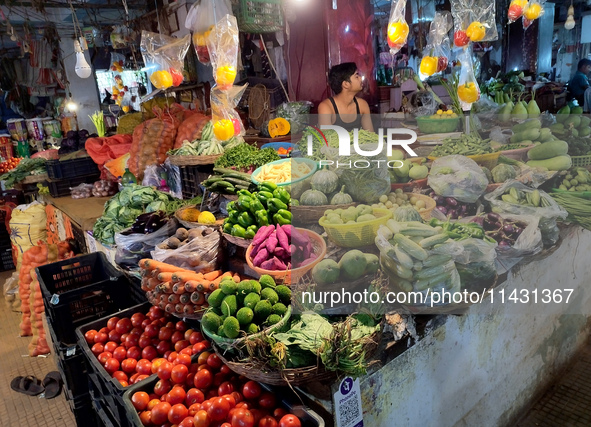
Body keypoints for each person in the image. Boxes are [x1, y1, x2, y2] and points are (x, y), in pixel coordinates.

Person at [318, 62, 374, 132]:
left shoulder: (362, 105)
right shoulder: (326, 107)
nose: (360, 78)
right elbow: (326, 140)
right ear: (346, 84)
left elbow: (371, 136)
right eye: (356, 76)